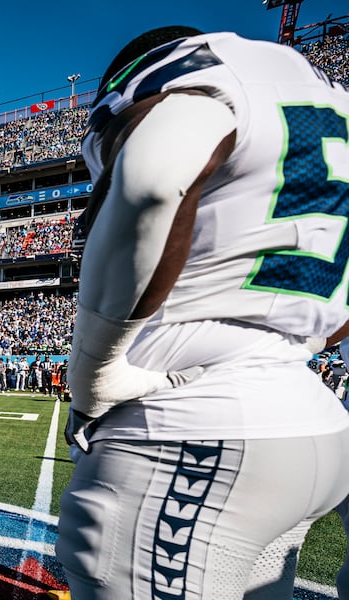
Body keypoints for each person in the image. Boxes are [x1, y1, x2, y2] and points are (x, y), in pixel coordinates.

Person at [57, 27, 349, 599]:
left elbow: (152, 183)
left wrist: (94, 370)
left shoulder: (206, 78)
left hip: (190, 433)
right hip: (308, 423)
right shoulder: (326, 103)